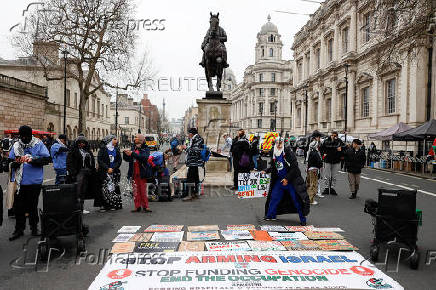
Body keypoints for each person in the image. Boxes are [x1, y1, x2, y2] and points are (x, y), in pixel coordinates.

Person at [8, 125, 50, 241]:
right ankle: (19, 229)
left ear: (31, 135)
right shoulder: (16, 145)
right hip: (19, 182)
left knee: (32, 206)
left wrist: (33, 160)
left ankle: (34, 228)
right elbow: (10, 161)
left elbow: (47, 159)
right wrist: (14, 164)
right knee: (18, 207)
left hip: (34, 181)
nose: (24, 138)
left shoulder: (38, 143)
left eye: (27, 136)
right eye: (22, 136)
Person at [263, 137, 310, 225]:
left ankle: (302, 219)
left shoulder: (289, 153)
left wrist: (287, 179)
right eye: (277, 143)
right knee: (274, 197)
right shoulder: (274, 152)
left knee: (296, 199)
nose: (279, 145)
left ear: (283, 143)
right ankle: (270, 215)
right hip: (279, 180)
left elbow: (294, 168)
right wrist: (266, 170)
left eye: (281, 143)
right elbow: (274, 167)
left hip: (291, 181)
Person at [66, 135, 96, 214]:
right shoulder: (73, 151)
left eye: (83, 143)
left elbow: (92, 161)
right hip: (78, 173)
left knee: (83, 191)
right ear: (77, 143)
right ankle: (76, 209)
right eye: (80, 143)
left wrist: (92, 170)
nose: (82, 144)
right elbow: (69, 162)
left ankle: (81, 208)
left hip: (87, 173)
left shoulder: (88, 151)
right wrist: (73, 173)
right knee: (77, 191)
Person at [123, 134, 152, 212]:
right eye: (135, 138)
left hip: (142, 172)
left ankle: (145, 206)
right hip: (134, 172)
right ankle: (137, 206)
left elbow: (144, 158)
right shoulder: (133, 148)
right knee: (135, 191)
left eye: (137, 138)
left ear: (142, 140)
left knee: (143, 190)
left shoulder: (146, 149)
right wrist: (125, 154)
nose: (135, 139)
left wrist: (132, 153)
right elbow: (128, 159)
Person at [95, 135, 122, 212]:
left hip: (114, 172)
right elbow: (100, 160)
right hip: (104, 172)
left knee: (113, 189)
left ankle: (113, 204)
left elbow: (119, 160)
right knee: (104, 188)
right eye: (115, 139)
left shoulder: (116, 149)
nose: (116, 141)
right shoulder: (103, 149)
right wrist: (107, 168)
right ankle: (103, 205)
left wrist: (113, 168)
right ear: (110, 140)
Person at [320, 131, 345, 196]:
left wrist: (341, 149)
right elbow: (321, 148)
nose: (334, 137)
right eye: (332, 135)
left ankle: (332, 188)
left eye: (335, 136)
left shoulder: (339, 141)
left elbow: (344, 148)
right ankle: (326, 188)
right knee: (327, 175)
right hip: (328, 160)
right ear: (330, 135)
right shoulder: (326, 141)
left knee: (334, 176)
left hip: (336, 161)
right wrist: (323, 154)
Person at [182, 128, 204, 201]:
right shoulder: (194, 139)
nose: (188, 135)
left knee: (190, 178)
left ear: (191, 134)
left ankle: (190, 194)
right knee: (195, 178)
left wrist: (186, 148)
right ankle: (195, 193)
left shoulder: (198, 139)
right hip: (193, 162)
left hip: (194, 162)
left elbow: (196, 150)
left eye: (189, 134)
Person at [306, 131, 323, 205]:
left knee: (309, 183)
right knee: (313, 184)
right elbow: (319, 162)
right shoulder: (315, 152)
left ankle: (308, 197)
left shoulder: (310, 151)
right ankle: (310, 199)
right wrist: (321, 165)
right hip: (314, 169)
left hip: (310, 167)